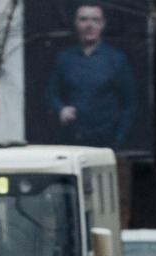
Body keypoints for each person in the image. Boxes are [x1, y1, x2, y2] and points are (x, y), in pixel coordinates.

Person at [44, 3, 136, 148]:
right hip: (71, 140)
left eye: (95, 20)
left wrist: (118, 139)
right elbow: (51, 93)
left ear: (103, 24)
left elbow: (129, 105)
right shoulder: (65, 58)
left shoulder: (116, 59)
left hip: (106, 142)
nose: (89, 25)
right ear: (76, 23)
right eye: (84, 19)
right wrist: (60, 109)